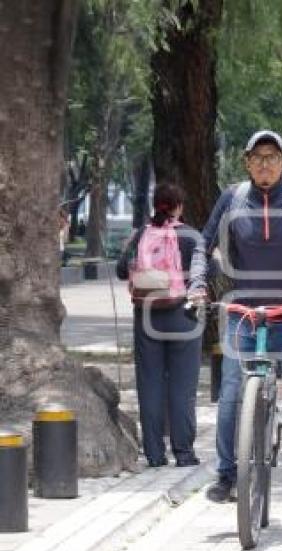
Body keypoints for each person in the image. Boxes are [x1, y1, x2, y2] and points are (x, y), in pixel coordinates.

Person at [188, 130, 282, 530]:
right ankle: (226, 474)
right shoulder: (233, 197)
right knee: (230, 395)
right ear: (246, 163)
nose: (264, 163)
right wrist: (197, 286)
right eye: (256, 157)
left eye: (271, 156)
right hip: (244, 313)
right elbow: (202, 246)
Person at [117, 183, 202, 468]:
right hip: (184, 318)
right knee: (182, 386)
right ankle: (184, 453)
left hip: (147, 317)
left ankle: (154, 454)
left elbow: (120, 270)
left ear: (156, 204)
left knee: (150, 384)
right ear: (178, 207)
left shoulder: (141, 234)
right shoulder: (191, 236)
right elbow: (211, 273)